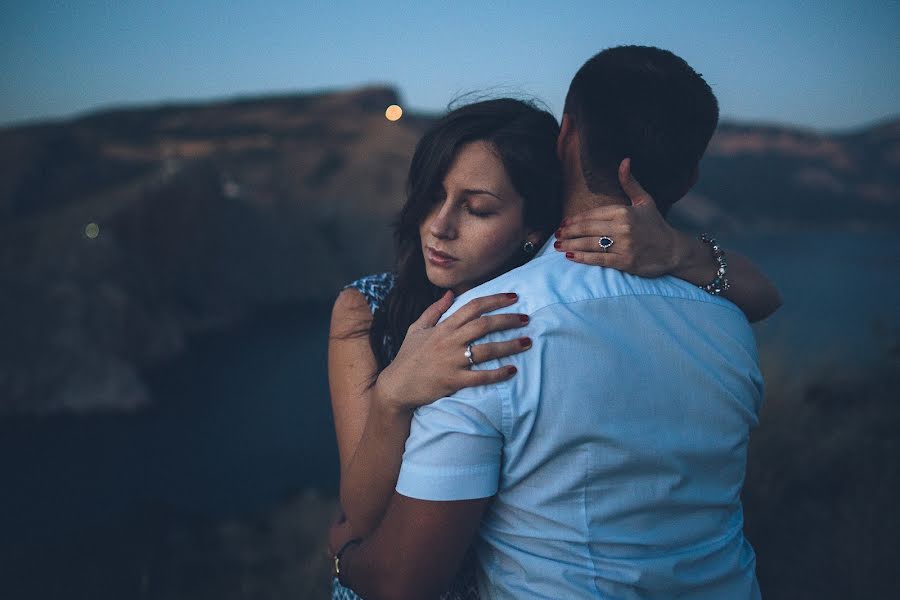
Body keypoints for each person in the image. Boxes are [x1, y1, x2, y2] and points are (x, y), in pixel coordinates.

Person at [329, 49, 777, 599]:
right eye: (433, 198)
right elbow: (763, 296)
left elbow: (404, 578)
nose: (440, 227)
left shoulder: (487, 328)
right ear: (687, 182)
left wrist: (343, 560)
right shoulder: (727, 320)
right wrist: (684, 253)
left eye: (479, 207)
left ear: (566, 135)